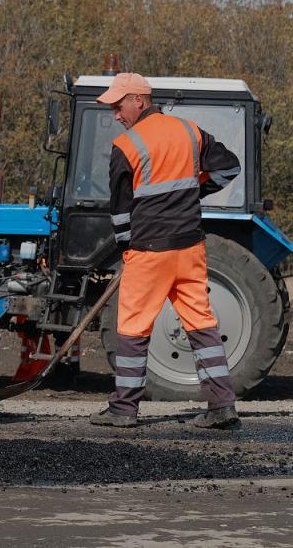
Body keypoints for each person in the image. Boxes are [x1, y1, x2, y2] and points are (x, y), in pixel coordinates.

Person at [89, 73, 242, 429]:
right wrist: (195, 191)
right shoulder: (190, 132)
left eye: (118, 105)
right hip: (189, 248)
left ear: (138, 101)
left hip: (149, 251)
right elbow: (229, 167)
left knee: (132, 329)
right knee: (202, 324)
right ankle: (222, 405)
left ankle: (123, 410)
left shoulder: (126, 147)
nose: (116, 114)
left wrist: (127, 250)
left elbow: (121, 213)